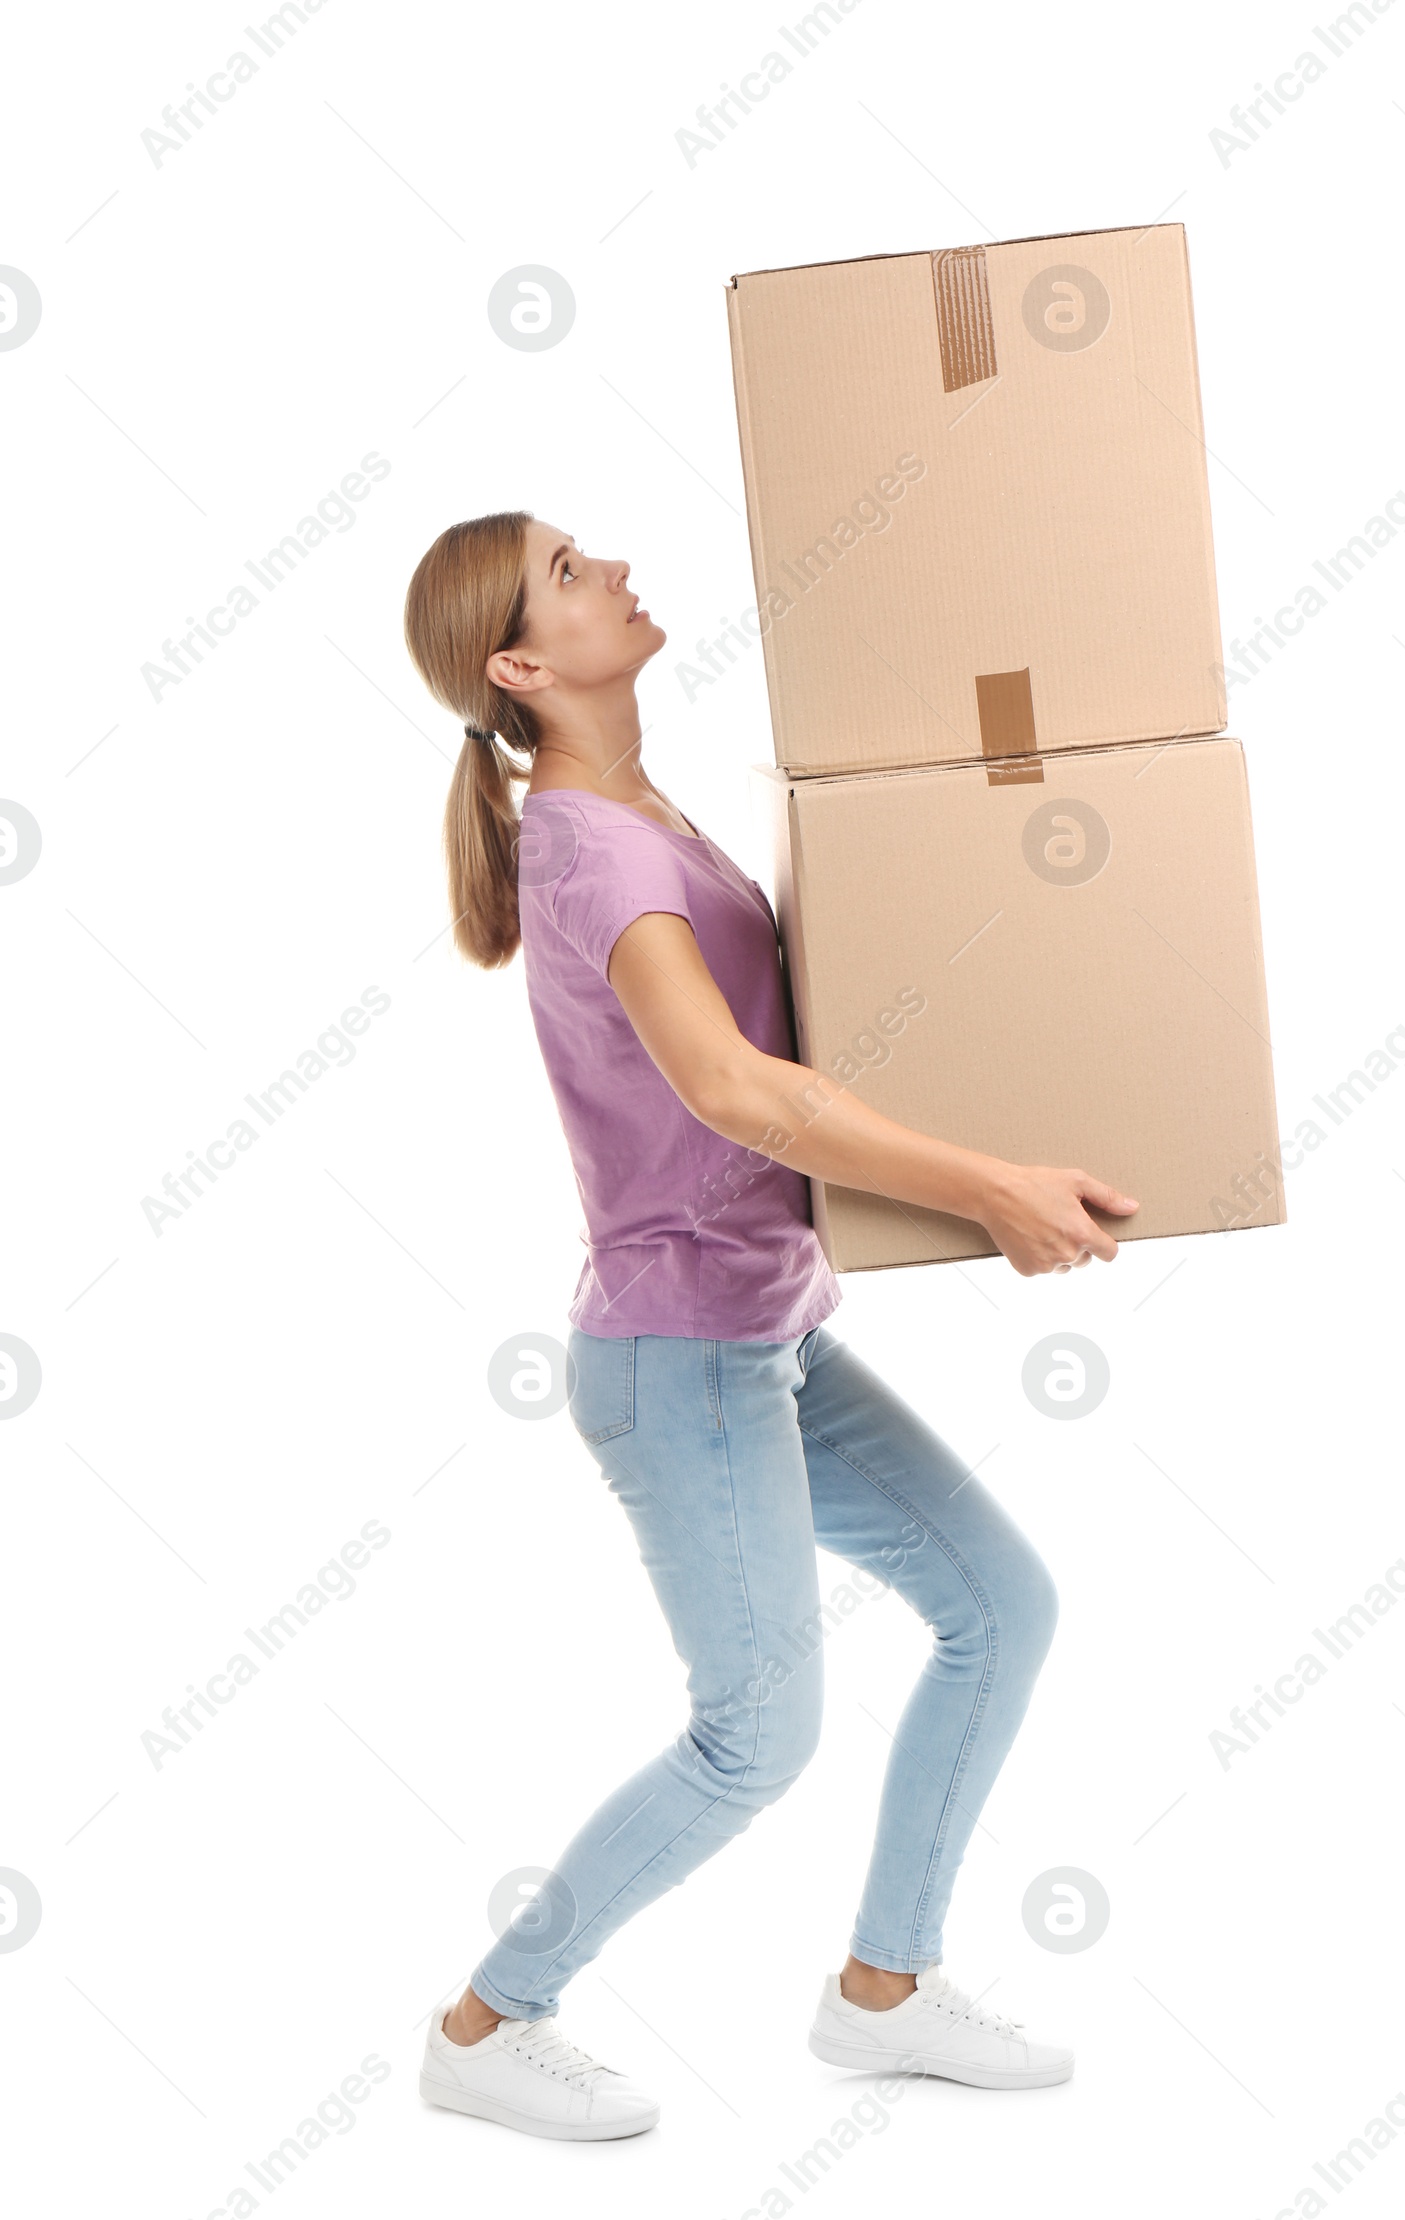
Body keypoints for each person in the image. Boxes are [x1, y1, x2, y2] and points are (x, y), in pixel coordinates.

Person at [401, 510, 1138, 2143]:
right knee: (757, 1736)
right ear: (523, 665)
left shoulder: (644, 807)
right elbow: (738, 1090)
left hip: (770, 1336)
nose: (615, 571)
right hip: (680, 1363)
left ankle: (883, 1991)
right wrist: (987, 1186)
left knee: (1000, 1606)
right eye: (573, 574)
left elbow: (805, 1032)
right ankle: (487, 2022)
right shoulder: (589, 850)